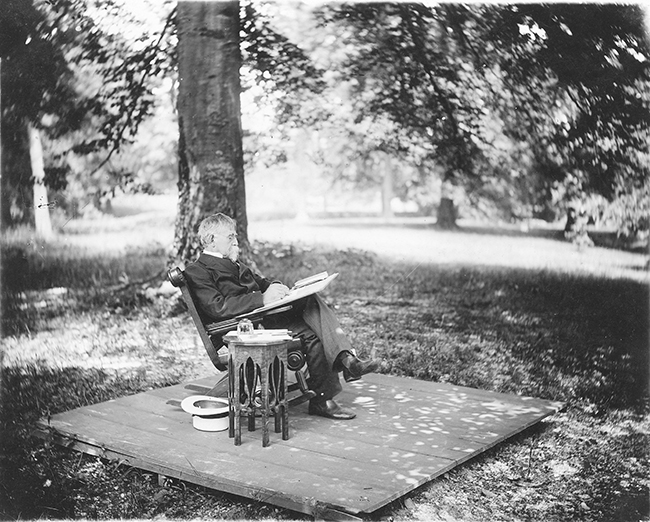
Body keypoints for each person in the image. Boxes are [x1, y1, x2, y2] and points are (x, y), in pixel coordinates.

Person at [184, 213, 380, 420]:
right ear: (212, 240)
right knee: (313, 326)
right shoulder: (198, 271)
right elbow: (218, 308)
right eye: (230, 237)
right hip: (245, 328)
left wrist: (276, 287)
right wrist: (262, 299)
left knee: (311, 310)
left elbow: (261, 282)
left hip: (264, 317)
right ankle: (342, 367)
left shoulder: (234, 262)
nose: (236, 241)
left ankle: (333, 383)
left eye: (235, 236)